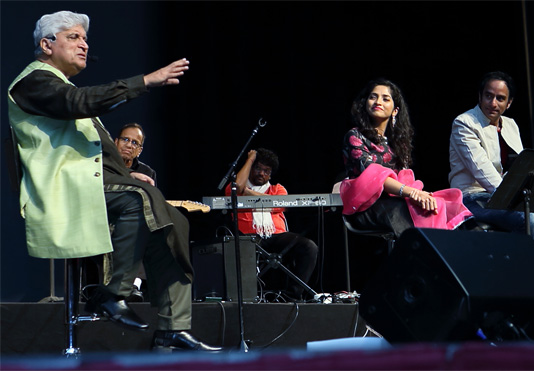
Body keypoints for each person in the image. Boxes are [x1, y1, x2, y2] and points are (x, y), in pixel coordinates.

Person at [7, 10, 220, 351]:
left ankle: (172, 328)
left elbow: (94, 146)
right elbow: (78, 102)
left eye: (85, 39)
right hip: (62, 191)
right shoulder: (32, 83)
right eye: (74, 37)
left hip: (93, 185)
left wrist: (126, 174)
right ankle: (111, 294)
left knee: (173, 220)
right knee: (138, 198)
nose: (84, 45)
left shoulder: (61, 86)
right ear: (47, 45)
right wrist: (145, 81)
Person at [448, 71, 534, 342]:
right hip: (474, 199)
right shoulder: (464, 123)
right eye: (488, 96)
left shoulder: (510, 125)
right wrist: (522, 204)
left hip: (508, 203)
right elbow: (484, 173)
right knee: (531, 221)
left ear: (509, 103)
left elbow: (522, 170)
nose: (493, 102)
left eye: (500, 98)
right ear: (479, 96)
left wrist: (526, 198)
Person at [340, 78, 473, 240]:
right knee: (410, 212)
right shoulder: (354, 136)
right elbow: (372, 176)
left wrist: (420, 196)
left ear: (395, 111)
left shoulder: (397, 143)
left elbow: (404, 178)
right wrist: (412, 193)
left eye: (385, 98)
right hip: (365, 205)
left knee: (435, 205)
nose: (378, 101)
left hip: (394, 201)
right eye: (373, 97)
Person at [225, 148, 318, 301]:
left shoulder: (277, 189)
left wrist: (249, 194)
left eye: (266, 171)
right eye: (258, 168)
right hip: (249, 238)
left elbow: (278, 204)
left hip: (277, 236)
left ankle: (292, 296)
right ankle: (246, 298)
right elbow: (238, 188)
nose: (262, 173)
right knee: (239, 246)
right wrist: (250, 159)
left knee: (309, 247)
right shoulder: (236, 187)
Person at [113, 122, 156, 302]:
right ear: (115, 142)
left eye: (134, 143)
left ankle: (134, 286)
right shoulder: (101, 166)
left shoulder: (147, 173)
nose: (129, 145)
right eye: (125, 139)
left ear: (139, 150)